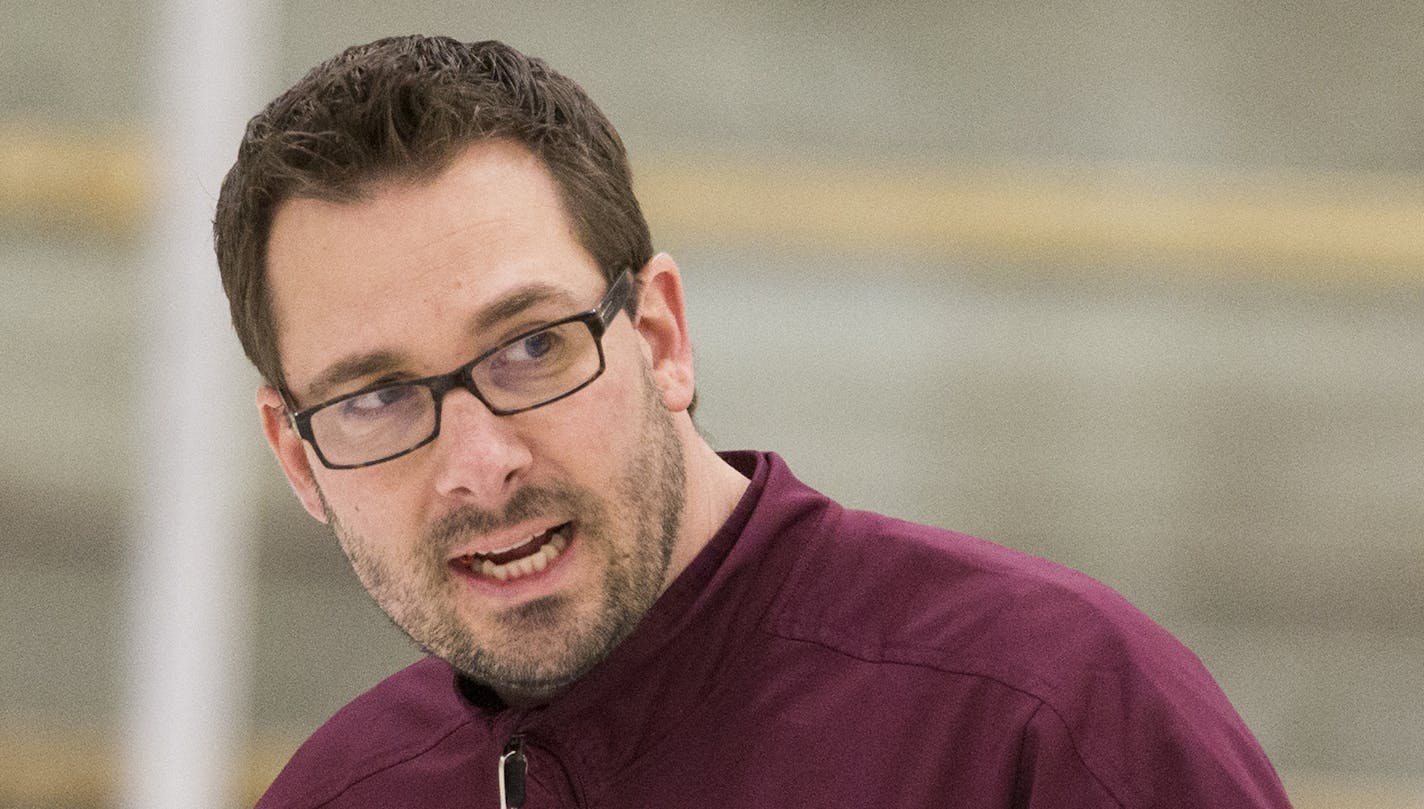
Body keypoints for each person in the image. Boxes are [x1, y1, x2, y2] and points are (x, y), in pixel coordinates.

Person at [215, 35, 1293, 809]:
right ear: (298, 458)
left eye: (531, 346)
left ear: (661, 334)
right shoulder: (339, 792)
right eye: (375, 398)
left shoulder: (1046, 716)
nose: (479, 464)